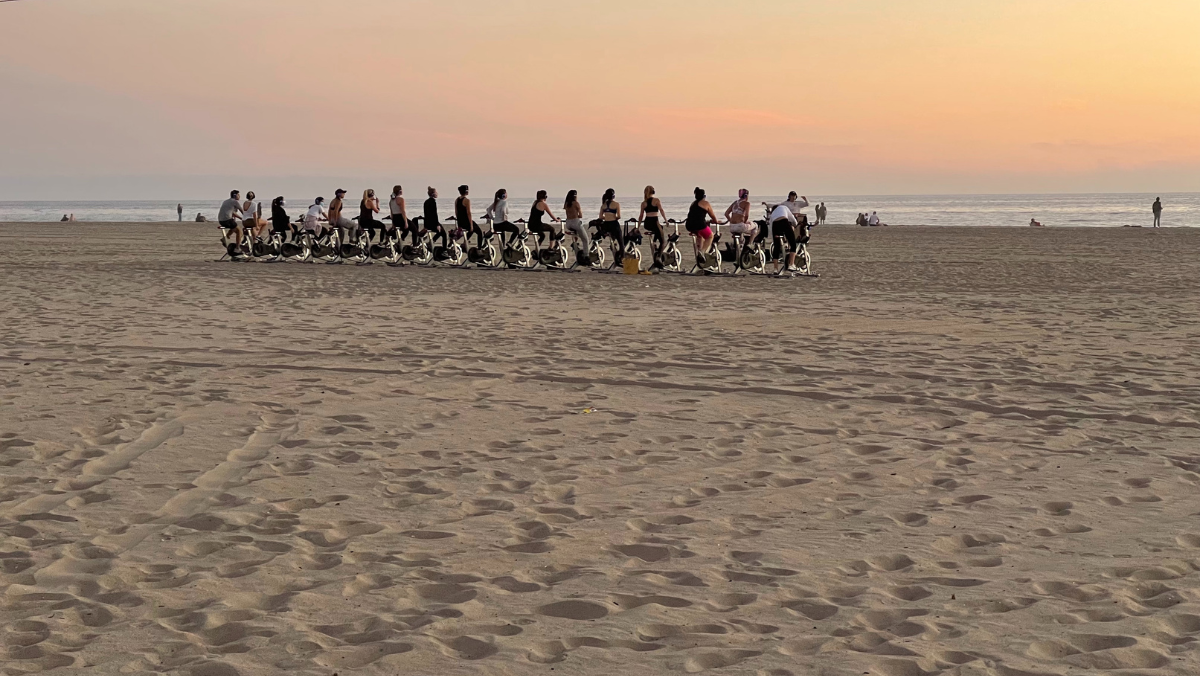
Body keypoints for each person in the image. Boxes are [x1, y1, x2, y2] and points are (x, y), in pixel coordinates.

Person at [764, 200, 801, 272]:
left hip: (775, 225)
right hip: (784, 222)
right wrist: (795, 225)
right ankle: (791, 264)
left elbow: (771, 227)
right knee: (793, 244)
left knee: (776, 247)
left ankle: (775, 269)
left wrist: (773, 238)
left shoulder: (772, 214)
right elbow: (792, 219)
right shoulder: (784, 207)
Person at [685, 187, 721, 262]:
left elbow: (695, 214)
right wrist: (716, 221)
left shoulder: (693, 203)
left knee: (700, 235)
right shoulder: (706, 203)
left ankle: (699, 251)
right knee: (710, 236)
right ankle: (702, 251)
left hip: (689, 225)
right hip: (699, 225)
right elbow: (712, 215)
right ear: (703, 196)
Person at [638, 186, 668, 262]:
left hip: (647, 223)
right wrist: (666, 220)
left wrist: (638, 227)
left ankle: (654, 242)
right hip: (655, 222)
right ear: (653, 192)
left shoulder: (643, 203)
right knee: (663, 242)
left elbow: (641, 216)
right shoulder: (656, 200)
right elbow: (661, 210)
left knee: (660, 228)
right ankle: (659, 256)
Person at [563, 190, 589, 260]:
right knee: (585, 239)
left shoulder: (566, 204)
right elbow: (580, 215)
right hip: (575, 222)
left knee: (577, 234)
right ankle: (586, 255)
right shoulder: (576, 203)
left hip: (568, 223)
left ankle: (575, 244)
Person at [596, 188, 623, 255]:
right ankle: (622, 257)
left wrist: (607, 217)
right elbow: (619, 216)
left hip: (606, 225)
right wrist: (614, 217)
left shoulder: (603, 205)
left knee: (612, 236)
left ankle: (613, 245)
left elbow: (600, 217)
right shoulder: (616, 204)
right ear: (613, 196)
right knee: (621, 242)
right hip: (614, 224)